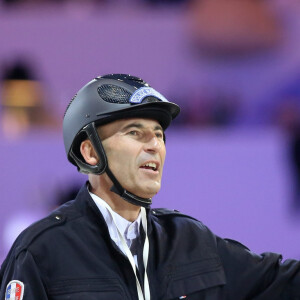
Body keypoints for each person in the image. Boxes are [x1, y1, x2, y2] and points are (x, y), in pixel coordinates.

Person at [1, 74, 300, 300]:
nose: (154, 146)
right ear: (90, 153)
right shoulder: (40, 252)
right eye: (135, 133)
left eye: (158, 135)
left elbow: (285, 282)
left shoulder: (190, 241)